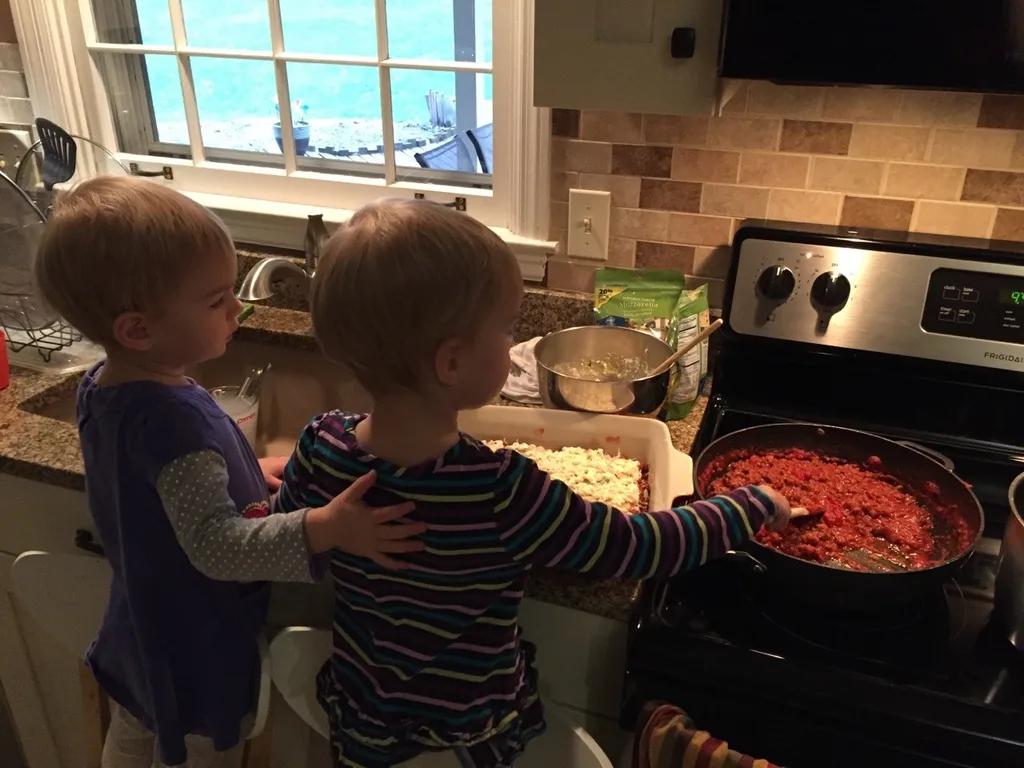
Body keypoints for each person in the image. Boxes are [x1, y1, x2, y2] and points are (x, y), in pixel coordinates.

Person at [274, 198, 794, 768]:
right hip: (472, 742)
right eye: (505, 332)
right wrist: (749, 506)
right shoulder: (502, 492)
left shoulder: (321, 448)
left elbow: (282, 529)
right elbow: (636, 546)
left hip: (363, 732)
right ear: (450, 364)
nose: (513, 344)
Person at [33, 177, 426, 768]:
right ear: (138, 328)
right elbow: (216, 546)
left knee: (135, 743)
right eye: (216, 300)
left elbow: (155, 487)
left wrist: (244, 467)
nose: (237, 308)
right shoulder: (172, 419)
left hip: (144, 628)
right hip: (192, 651)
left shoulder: (112, 385)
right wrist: (325, 527)